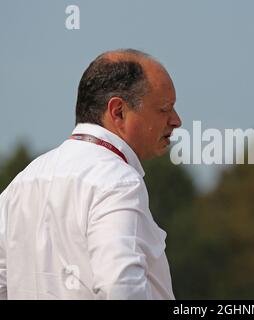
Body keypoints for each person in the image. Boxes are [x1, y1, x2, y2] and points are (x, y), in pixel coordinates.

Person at [0, 49, 181, 299]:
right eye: (164, 108)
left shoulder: (22, 182)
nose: (176, 120)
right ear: (118, 111)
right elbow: (120, 287)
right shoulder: (118, 181)